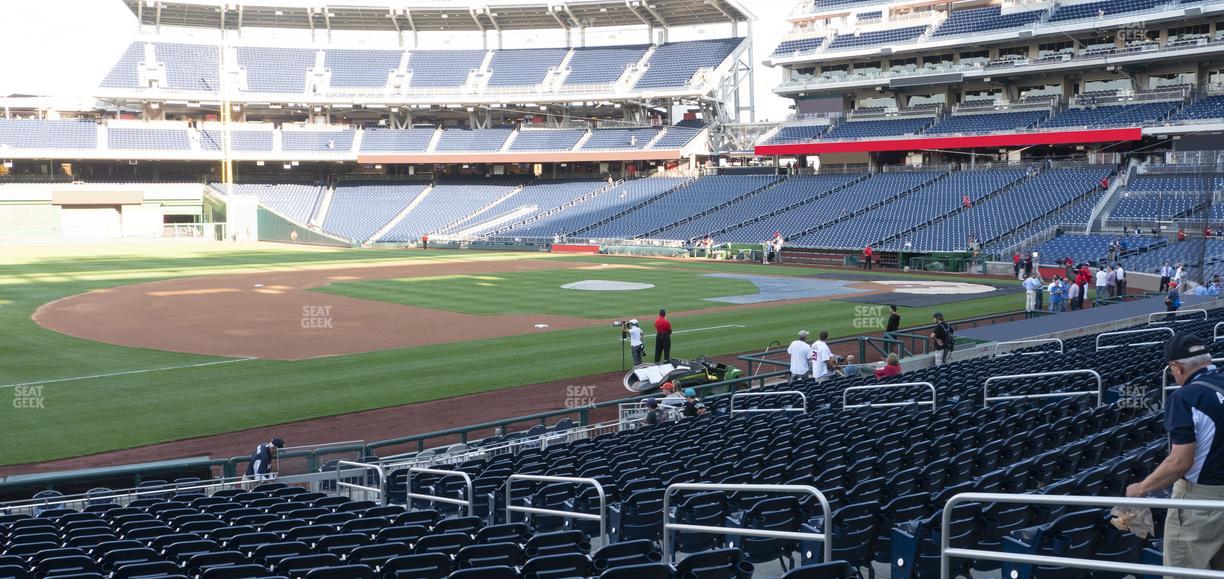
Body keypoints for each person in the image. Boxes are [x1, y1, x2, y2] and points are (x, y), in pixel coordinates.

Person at [1126, 334, 1224, 572]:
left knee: (1183, 571)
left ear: (1177, 367)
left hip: (1201, 502)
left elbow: (1180, 462)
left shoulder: (1184, 397)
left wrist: (1141, 488)